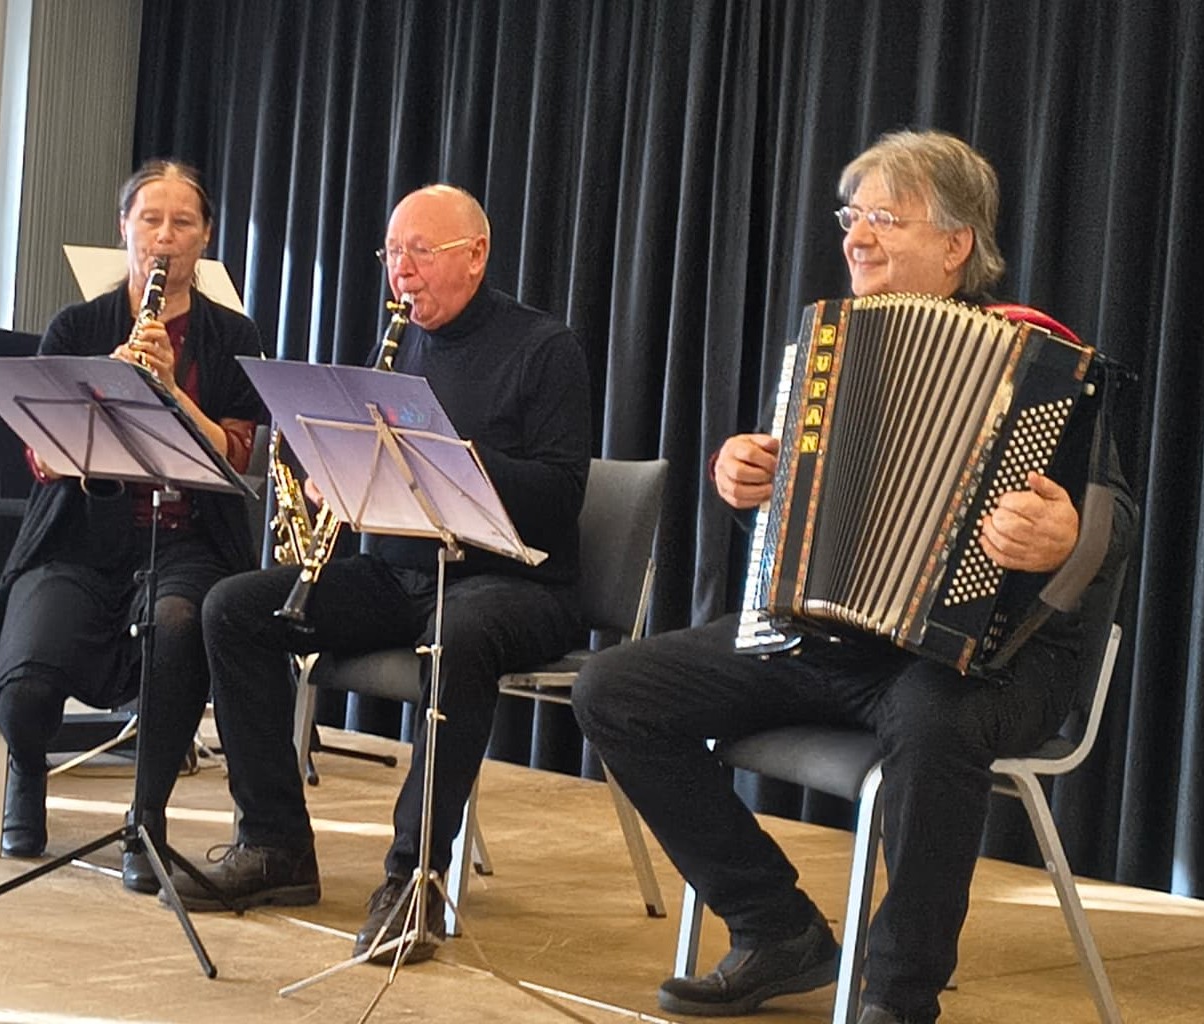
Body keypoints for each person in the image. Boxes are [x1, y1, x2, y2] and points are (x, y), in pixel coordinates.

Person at [572, 130, 1136, 1024]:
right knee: (617, 686)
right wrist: (744, 474)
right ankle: (776, 929)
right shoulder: (835, 343)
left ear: (956, 245)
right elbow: (800, 501)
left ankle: (896, 997)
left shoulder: (1046, 365)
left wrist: (1063, 537)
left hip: (988, 659)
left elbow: (1107, 522)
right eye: (853, 215)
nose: (856, 237)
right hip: (832, 637)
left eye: (884, 217)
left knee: (931, 717)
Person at [167, 183, 592, 965]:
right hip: (401, 574)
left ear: (476, 256)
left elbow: (562, 496)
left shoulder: (543, 349)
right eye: (392, 253)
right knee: (232, 608)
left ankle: (413, 876)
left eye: (420, 252)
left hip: (518, 584)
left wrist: (448, 456)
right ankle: (276, 847)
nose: (403, 271)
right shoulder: (398, 341)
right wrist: (339, 466)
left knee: (455, 634)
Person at [0, 160, 265, 895]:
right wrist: (103, 391)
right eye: (150, 220)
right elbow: (42, 457)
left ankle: (147, 818)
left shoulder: (233, 335)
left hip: (188, 539)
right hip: (79, 534)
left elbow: (240, 460)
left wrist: (170, 393)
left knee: (178, 627)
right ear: (124, 230)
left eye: (182, 223)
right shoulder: (77, 326)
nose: (164, 239)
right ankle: (28, 780)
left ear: (204, 239)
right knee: (26, 689)